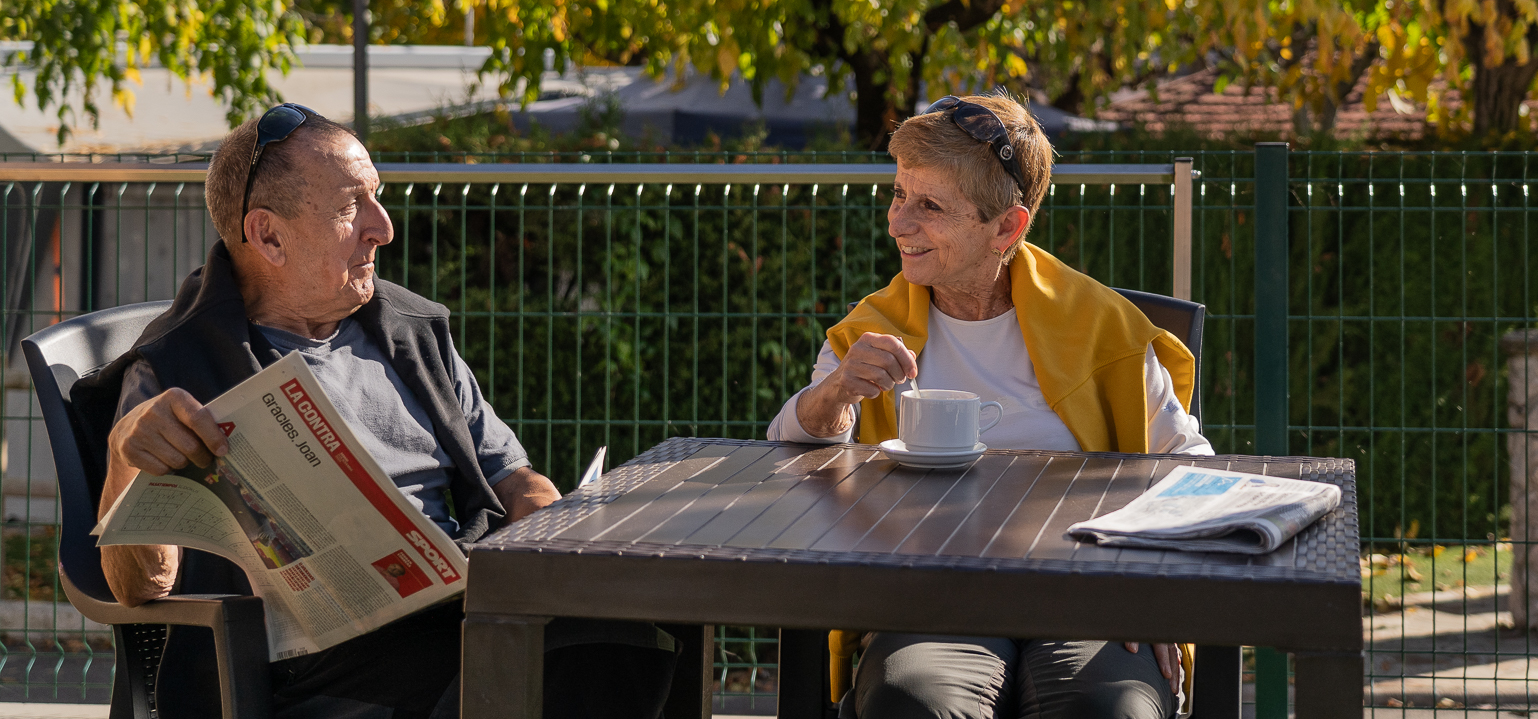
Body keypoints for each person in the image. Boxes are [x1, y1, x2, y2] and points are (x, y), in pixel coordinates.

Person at [72, 105, 680, 719]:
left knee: (644, 623)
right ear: (268, 236)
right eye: (350, 207)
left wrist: (553, 539)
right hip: (307, 667)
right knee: (577, 660)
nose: (383, 228)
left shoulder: (411, 333)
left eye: (378, 199)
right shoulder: (174, 368)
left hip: (463, 606)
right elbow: (139, 586)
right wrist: (128, 455)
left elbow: (514, 478)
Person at [766, 94, 1212, 719]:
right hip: (929, 598)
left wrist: (1158, 589)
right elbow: (791, 463)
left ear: (1007, 226)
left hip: (1087, 597)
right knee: (912, 704)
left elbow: (1191, 468)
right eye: (899, 195)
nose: (897, 224)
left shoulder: (1102, 329)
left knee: (1109, 711)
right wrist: (834, 394)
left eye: (930, 206)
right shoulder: (870, 331)